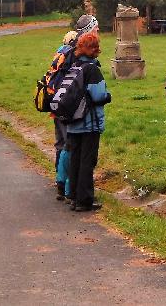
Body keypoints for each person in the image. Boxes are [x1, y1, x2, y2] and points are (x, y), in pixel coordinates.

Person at [52, 16, 98, 201]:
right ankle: (70, 189)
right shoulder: (77, 53)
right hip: (72, 108)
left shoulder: (66, 49)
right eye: (96, 28)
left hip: (58, 103)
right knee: (72, 148)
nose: (98, 32)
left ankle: (62, 184)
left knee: (63, 145)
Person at [66, 33, 111, 212]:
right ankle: (85, 200)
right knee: (87, 161)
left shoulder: (74, 65)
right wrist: (109, 96)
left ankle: (74, 197)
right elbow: (99, 95)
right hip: (89, 122)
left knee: (75, 159)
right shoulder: (92, 69)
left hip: (72, 121)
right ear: (94, 48)